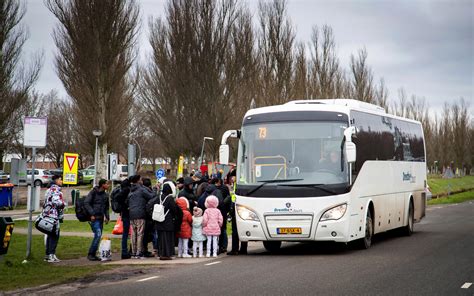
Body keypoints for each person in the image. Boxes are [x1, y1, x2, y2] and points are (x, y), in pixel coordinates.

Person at [127, 175, 154, 259]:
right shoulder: (141, 190)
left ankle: (133, 252)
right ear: (138, 181)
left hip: (131, 214)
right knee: (140, 234)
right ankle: (139, 252)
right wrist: (155, 189)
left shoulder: (131, 190)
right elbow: (151, 196)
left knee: (133, 234)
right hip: (140, 214)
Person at [84, 179, 110, 261]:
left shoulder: (106, 195)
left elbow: (106, 207)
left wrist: (107, 217)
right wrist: (91, 214)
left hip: (101, 218)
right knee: (98, 235)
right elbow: (86, 203)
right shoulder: (93, 192)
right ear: (102, 185)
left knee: (98, 236)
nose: (108, 185)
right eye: (107, 184)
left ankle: (93, 254)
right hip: (94, 218)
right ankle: (91, 254)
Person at [43, 175, 65, 263]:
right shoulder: (56, 189)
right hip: (53, 215)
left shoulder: (49, 189)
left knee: (50, 234)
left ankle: (48, 254)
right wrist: (63, 204)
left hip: (47, 214)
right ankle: (51, 254)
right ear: (56, 180)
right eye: (60, 179)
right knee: (55, 235)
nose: (62, 181)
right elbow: (56, 202)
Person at [155, 182, 178, 260]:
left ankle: (160, 253)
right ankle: (167, 254)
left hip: (159, 220)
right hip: (168, 220)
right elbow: (174, 209)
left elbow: (150, 205)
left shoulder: (159, 197)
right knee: (168, 238)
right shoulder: (170, 198)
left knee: (161, 238)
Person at [227, 169, 247, 255]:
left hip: (237, 208)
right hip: (241, 208)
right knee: (242, 228)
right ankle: (243, 249)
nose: (231, 178)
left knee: (235, 230)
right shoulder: (240, 182)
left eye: (232, 176)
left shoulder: (239, 183)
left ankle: (235, 249)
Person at [118, 178, 132, 259]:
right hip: (127, 214)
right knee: (129, 233)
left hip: (124, 214)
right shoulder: (126, 190)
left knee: (126, 234)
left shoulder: (122, 191)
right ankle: (126, 251)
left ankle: (125, 251)